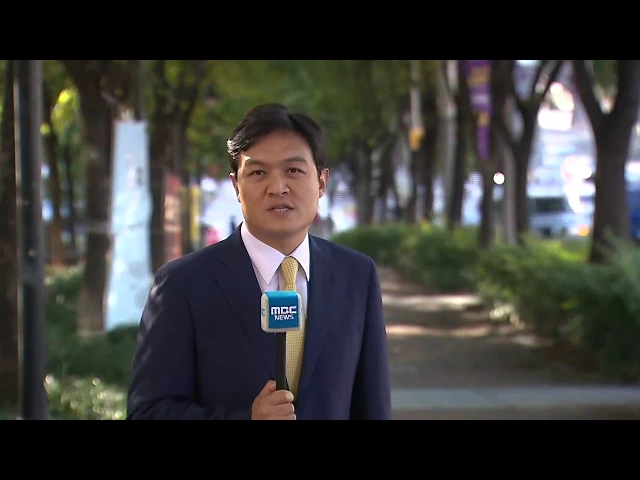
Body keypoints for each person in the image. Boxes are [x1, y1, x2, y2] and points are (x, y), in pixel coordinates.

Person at [126, 103, 391, 420]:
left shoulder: (356, 275)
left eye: (293, 171)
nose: (277, 188)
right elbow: (148, 411)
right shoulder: (182, 285)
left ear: (321, 182)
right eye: (258, 173)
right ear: (236, 186)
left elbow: (372, 404)